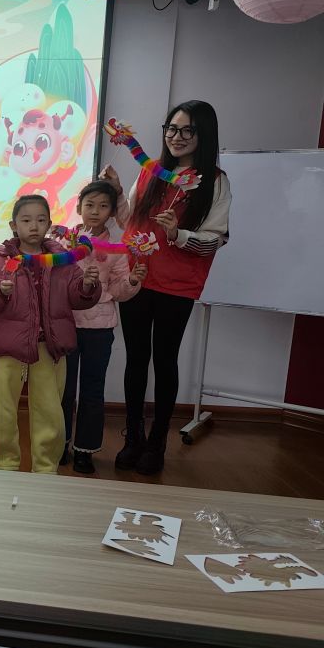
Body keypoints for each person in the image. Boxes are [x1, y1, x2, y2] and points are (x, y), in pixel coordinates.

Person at [104, 100, 231, 475]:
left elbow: (215, 240)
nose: (177, 136)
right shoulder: (152, 172)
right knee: (136, 359)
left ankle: (157, 442)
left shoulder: (215, 182)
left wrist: (178, 234)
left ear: (203, 134)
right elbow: (130, 222)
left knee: (164, 359)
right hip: (137, 276)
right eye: (171, 129)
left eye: (187, 130)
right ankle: (133, 438)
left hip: (178, 285)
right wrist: (117, 193)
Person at [0, 194, 100, 474]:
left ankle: (45, 469)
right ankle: (5, 465)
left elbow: (77, 296)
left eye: (41, 220)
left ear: (49, 224)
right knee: (1, 411)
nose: (34, 226)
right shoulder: (0, 260)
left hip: (49, 349)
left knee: (50, 412)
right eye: (26, 220)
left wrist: (88, 286)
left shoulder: (63, 261)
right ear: (13, 225)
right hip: (8, 349)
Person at [59, 181, 146, 474]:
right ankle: (60, 444)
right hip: (67, 323)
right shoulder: (64, 242)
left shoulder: (117, 250)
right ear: (79, 207)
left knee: (93, 390)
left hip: (100, 328)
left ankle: (85, 451)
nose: (95, 211)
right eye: (90, 205)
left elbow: (119, 291)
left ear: (111, 212)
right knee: (63, 389)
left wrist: (132, 281)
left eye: (103, 206)